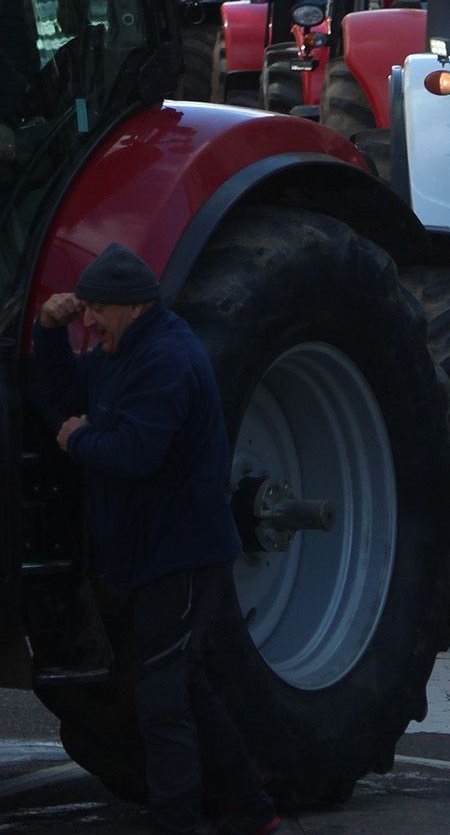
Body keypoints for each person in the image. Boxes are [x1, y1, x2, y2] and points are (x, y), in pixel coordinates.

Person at [34, 242, 278, 835]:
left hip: (184, 559)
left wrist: (77, 441)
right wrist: (48, 334)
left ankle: (177, 823)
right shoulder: (122, 352)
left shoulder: (165, 359)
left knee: (161, 699)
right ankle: (253, 810)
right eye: (83, 308)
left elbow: (136, 453)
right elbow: (67, 396)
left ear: (134, 306)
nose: (86, 321)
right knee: (186, 685)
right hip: (156, 558)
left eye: (96, 309)